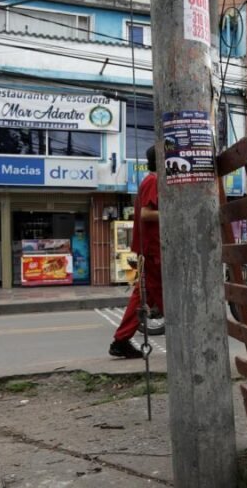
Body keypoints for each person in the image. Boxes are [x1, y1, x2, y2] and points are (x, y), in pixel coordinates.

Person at [109, 145, 163, 358]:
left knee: (144, 294)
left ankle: (121, 340)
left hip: (152, 248)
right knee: (160, 293)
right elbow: (146, 214)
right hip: (153, 249)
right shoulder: (153, 181)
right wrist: (173, 211)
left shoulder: (153, 180)